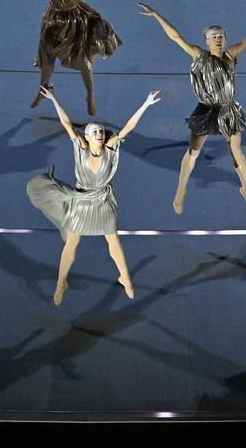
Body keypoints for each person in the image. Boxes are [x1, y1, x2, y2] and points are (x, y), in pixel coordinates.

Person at [139, 0, 246, 215]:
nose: (218, 39)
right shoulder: (199, 55)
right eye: (214, 37)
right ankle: (180, 191)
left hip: (228, 110)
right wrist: (156, 15)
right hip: (206, 110)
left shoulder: (230, 56)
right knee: (193, 151)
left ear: (225, 40)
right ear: (207, 41)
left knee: (236, 151)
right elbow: (176, 36)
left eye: (221, 36)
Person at [26, 87, 161, 305]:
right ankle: (61, 283)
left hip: (104, 201)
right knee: (71, 244)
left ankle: (125, 278)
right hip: (81, 200)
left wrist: (146, 104)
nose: (100, 134)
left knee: (113, 241)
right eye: (95, 131)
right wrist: (53, 99)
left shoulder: (111, 148)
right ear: (87, 137)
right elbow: (67, 124)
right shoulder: (80, 148)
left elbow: (128, 127)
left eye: (101, 131)